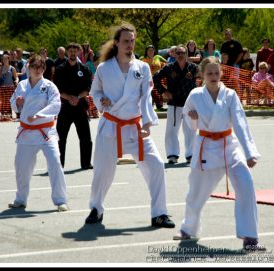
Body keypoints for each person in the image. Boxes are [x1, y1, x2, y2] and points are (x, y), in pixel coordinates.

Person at [85, 22, 175, 228]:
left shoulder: (142, 67)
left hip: (135, 127)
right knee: (101, 170)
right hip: (111, 125)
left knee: (156, 166)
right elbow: (95, 92)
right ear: (116, 43)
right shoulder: (104, 68)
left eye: (132, 41)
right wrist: (102, 102)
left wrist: (148, 123)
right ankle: (96, 208)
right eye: (126, 41)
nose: (130, 45)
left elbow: (145, 97)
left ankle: (159, 213)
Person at [173, 56, 265, 251]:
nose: (213, 76)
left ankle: (250, 236)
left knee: (246, 185)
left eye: (216, 72)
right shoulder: (195, 95)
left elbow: (240, 122)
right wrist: (193, 119)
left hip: (229, 147)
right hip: (205, 147)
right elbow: (188, 122)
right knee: (196, 192)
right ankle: (188, 228)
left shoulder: (230, 95)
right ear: (202, 75)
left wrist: (249, 152)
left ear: (222, 73)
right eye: (209, 73)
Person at [9, 54, 69, 212]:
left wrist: (39, 115)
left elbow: (56, 105)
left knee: (55, 162)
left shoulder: (49, 86)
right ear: (29, 67)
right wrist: (18, 103)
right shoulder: (21, 85)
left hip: (45, 131)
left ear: (44, 69)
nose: (38, 70)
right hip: (26, 132)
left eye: (41, 67)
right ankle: (20, 199)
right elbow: (13, 104)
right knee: (22, 167)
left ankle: (60, 200)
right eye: (34, 66)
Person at [153, 45, 198, 164]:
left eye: (183, 53)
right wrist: (164, 91)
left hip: (190, 103)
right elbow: (155, 78)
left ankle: (191, 154)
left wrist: (200, 90)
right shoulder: (169, 68)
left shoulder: (193, 68)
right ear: (174, 55)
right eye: (178, 53)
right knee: (172, 130)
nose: (180, 55)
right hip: (174, 103)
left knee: (190, 129)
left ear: (187, 54)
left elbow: (205, 77)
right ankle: (172, 154)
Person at [54, 42, 93, 170]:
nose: (72, 53)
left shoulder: (84, 69)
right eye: (70, 51)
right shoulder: (60, 69)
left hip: (80, 106)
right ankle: (58, 164)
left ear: (78, 52)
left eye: (75, 51)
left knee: (86, 138)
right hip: (65, 107)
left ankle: (86, 163)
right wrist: (69, 98)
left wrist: (77, 98)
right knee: (60, 138)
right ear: (67, 52)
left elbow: (88, 88)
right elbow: (57, 89)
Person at [139, 44, 167, 111]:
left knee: (158, 92)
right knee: (149, 93)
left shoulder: (157, 57)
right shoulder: (142, 59)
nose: (151, 52)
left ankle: (159, 107)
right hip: (147, 79)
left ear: (154, 51)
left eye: (152, 50)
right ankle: (148, 107)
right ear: (146, 51)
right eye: (149, 50)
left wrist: (162, 68)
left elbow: (166, 63)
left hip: (158, 78)